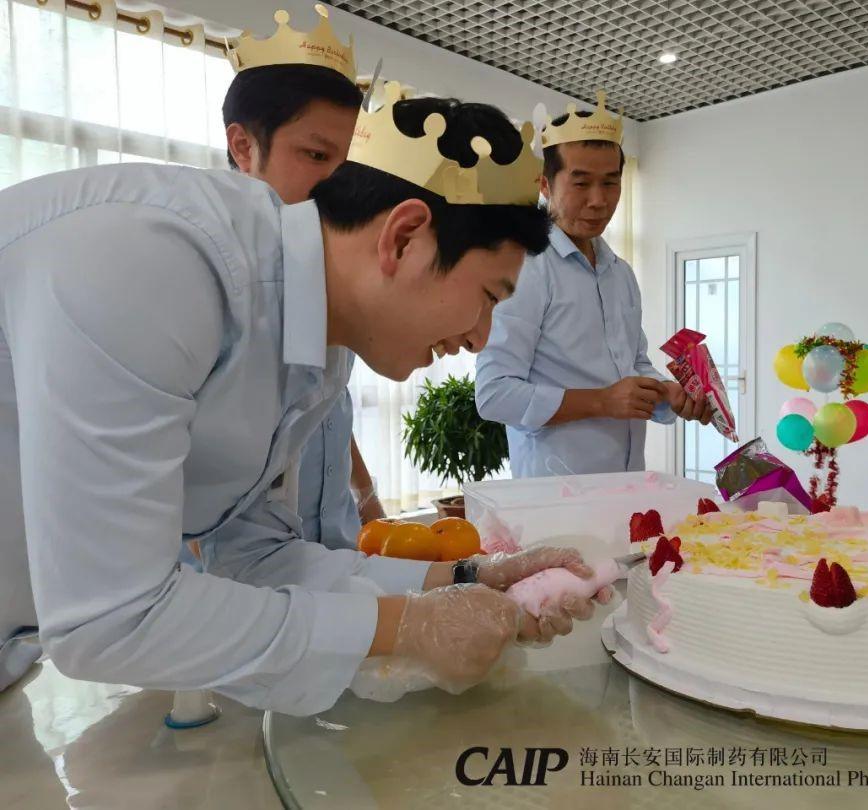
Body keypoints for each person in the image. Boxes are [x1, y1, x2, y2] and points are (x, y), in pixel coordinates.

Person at [0, 53, 612, 709]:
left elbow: (254, 555)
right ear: (404, 237)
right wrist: (405, 627)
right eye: (489, 297)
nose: (481, 338)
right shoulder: (154, 263)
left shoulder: (323, 338)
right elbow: (112, 620)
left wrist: (465, 578)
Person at [475, 91, 712, 478]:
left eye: (611, 183)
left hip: (626, 482)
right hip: (555, 491)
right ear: (545, 185)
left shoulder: (620, 273)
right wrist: (602, 401)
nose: (599, 200)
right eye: (581, 183)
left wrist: (667, 392)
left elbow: (634, 365)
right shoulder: (526, 267)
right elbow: (494, 394)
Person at [221, 5, 383, 555]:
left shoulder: (331, 259)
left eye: (349, 162)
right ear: (244, 147)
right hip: (237, 568)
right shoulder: (215, 281)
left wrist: (366, 495)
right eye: (315, 154)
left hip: (332, 540)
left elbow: (324, 403)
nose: (339, 183)